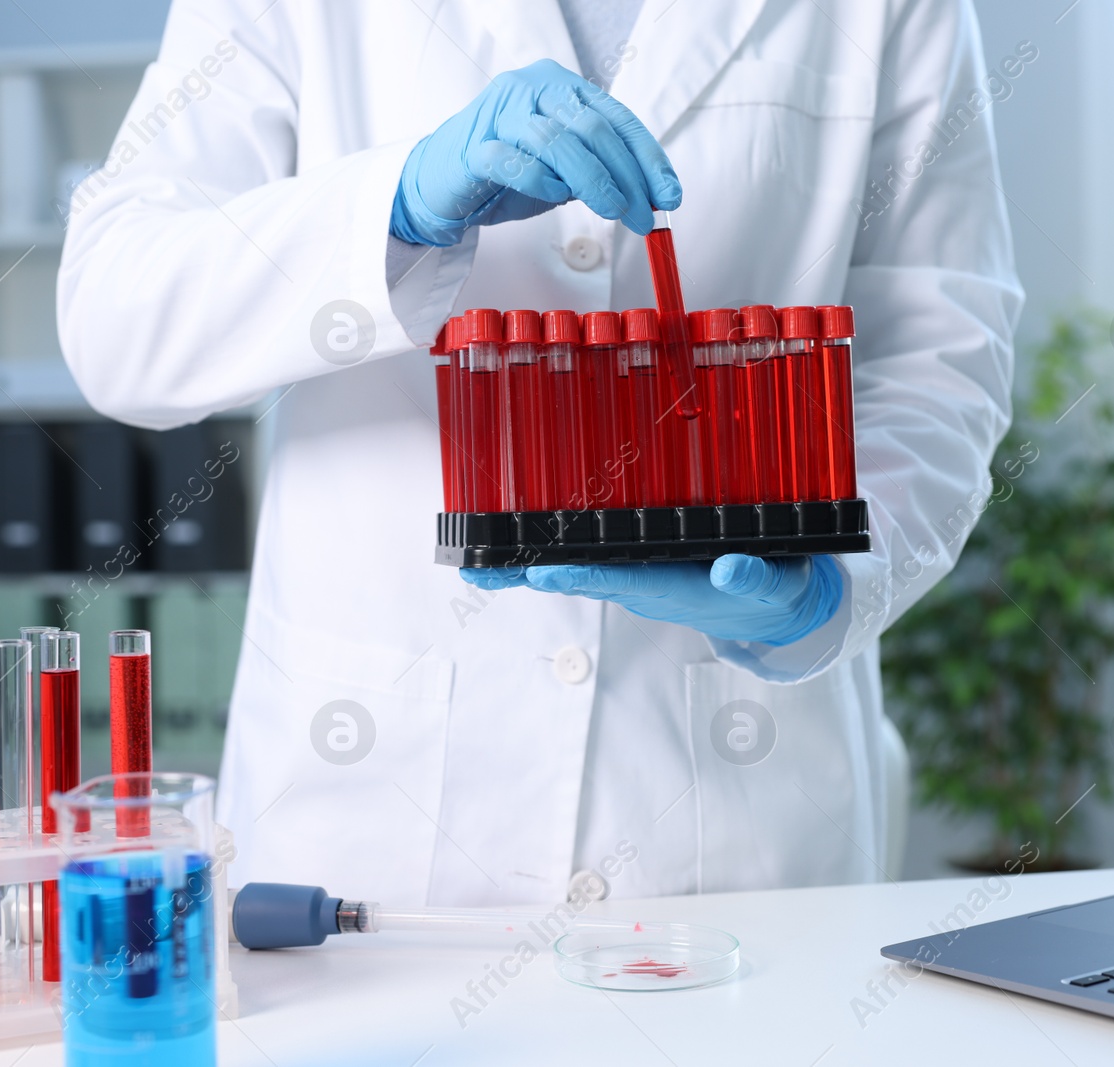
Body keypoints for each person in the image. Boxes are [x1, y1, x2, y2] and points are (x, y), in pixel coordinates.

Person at [58, 0, 1022, 906]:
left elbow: (943, 354)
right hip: (367, 831)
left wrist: (830, 591)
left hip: (734, 836)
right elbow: (114, 311)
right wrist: (392, 208)